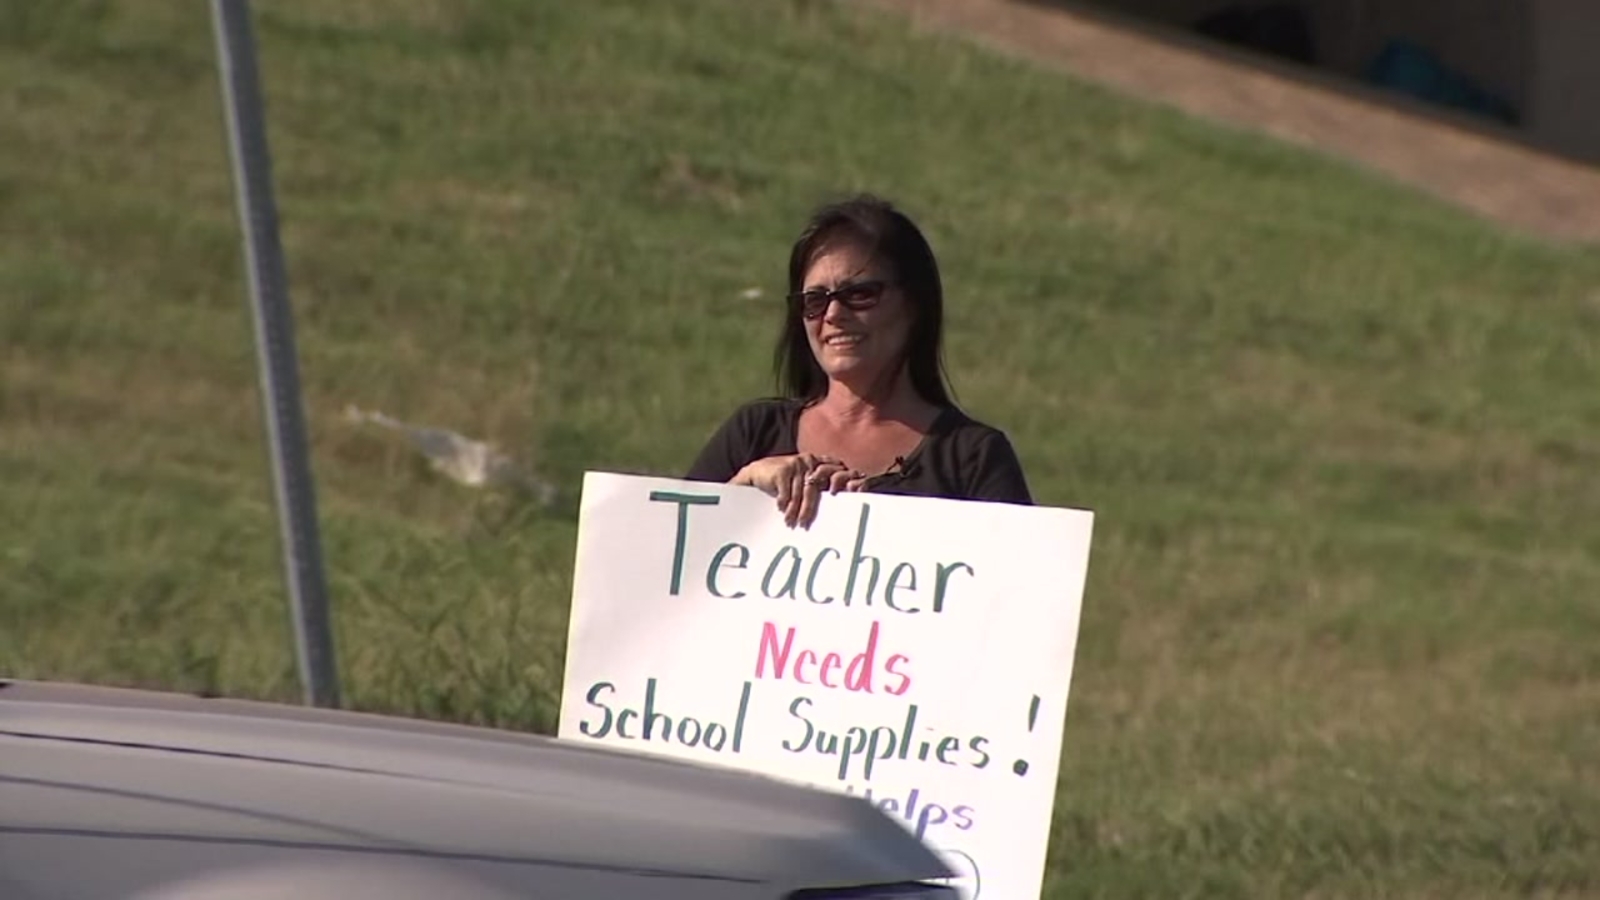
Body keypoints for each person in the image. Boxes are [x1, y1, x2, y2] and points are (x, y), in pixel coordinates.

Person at [685, 194, 1033, 528]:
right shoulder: (753, 434)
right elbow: (667, 562)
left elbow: (1013, 584)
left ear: (914, 305)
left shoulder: (972, 459)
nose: (834, 314)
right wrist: (744, 485)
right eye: (814, 300)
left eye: (860, 294)